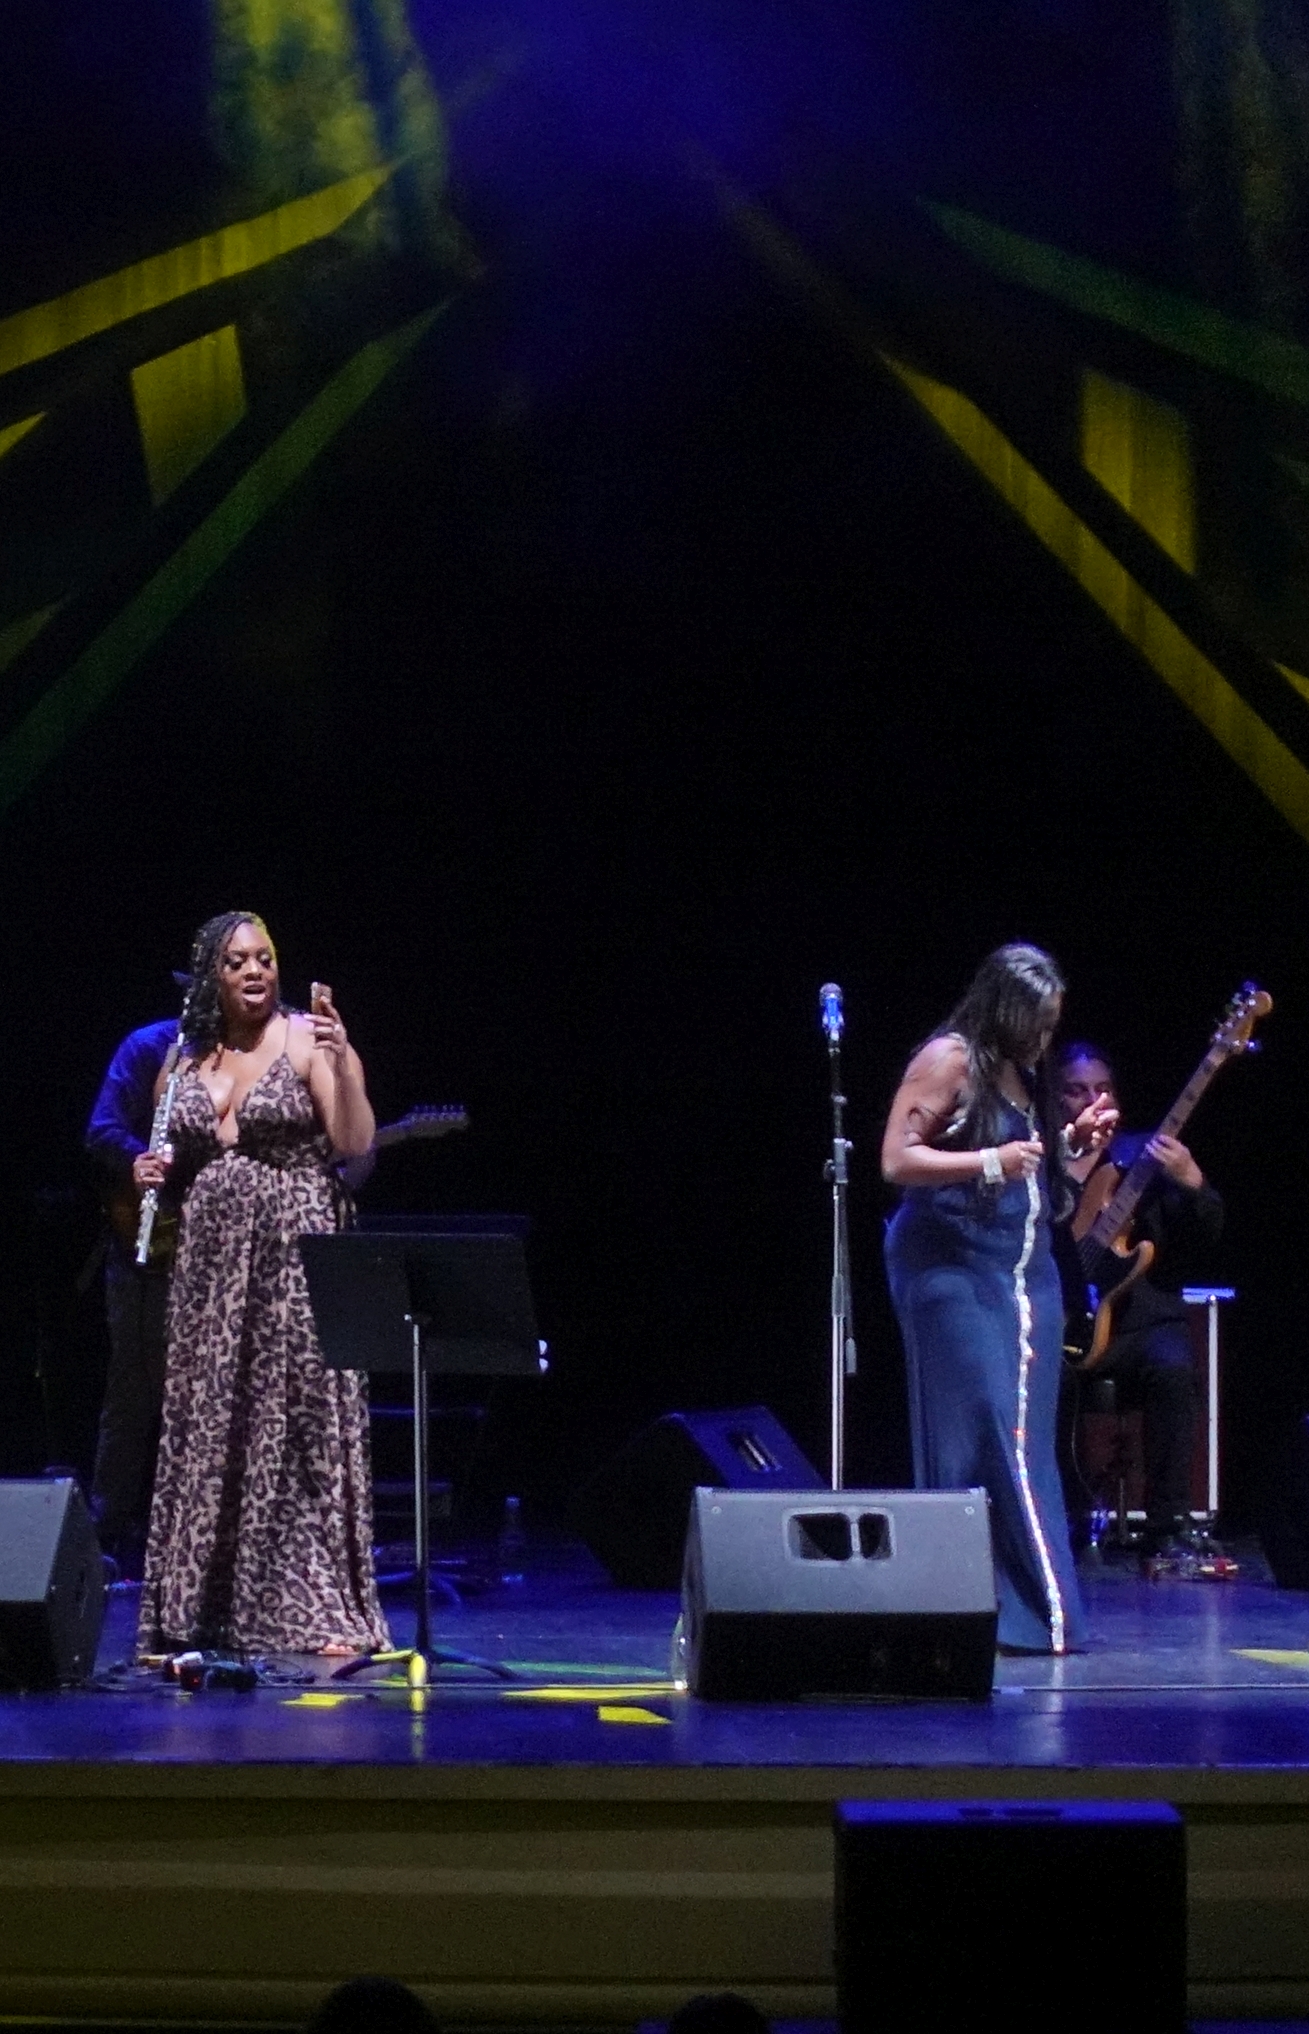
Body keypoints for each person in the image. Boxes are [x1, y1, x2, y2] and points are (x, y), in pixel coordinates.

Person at [134, 911, 390, 1657]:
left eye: (266, 958)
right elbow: (171, 1160)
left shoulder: (309, 1039)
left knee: (297, 1420)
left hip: (293, 1255)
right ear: (212, 974)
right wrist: (150, 1171)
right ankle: (203, 1609)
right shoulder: (182, 1060)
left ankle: (314, 1606)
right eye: (238, 961)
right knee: (211, 1421)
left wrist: (342, 1062)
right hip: (210, 1270)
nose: (256, 971)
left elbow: (355, 1144)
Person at [881, 943, 1117, 1654]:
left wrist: (1071, 1146)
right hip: (952, 1271)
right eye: (1037, 1022)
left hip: (1022, 1276)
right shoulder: (950, 1059)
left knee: (1021, 1441)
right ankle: (982, 1604)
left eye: (1052, 1024)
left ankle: (1008, 1608)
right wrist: (991, 1160)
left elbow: (1030, 1178)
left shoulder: (1024, 1074)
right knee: (981, 1431)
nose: (1045, 1037)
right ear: (1005, 1010)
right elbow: (897, 1159)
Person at [1058, 1042, 1224, 1560]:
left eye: (1102, 1089)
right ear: (1055, 1099)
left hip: (1141, 1321)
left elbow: (1209, 1235)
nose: (1093, 1099)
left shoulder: (1144, 1156)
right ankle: (1062, 1520)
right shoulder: (1045, 1162)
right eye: (1076, 1090)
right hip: (1064, 1320)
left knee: (1173, 1369)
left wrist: (1193, 1182)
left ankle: (1167, 1526)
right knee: (1043, 1378)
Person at [84, 1016, 179, 1571]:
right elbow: (102, 1129)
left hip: (217, 1250)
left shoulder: (261, 1050)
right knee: (132, 1394)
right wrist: (135, 1157)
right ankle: (103, 1538)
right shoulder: (150, 1046)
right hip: (147, 1247)